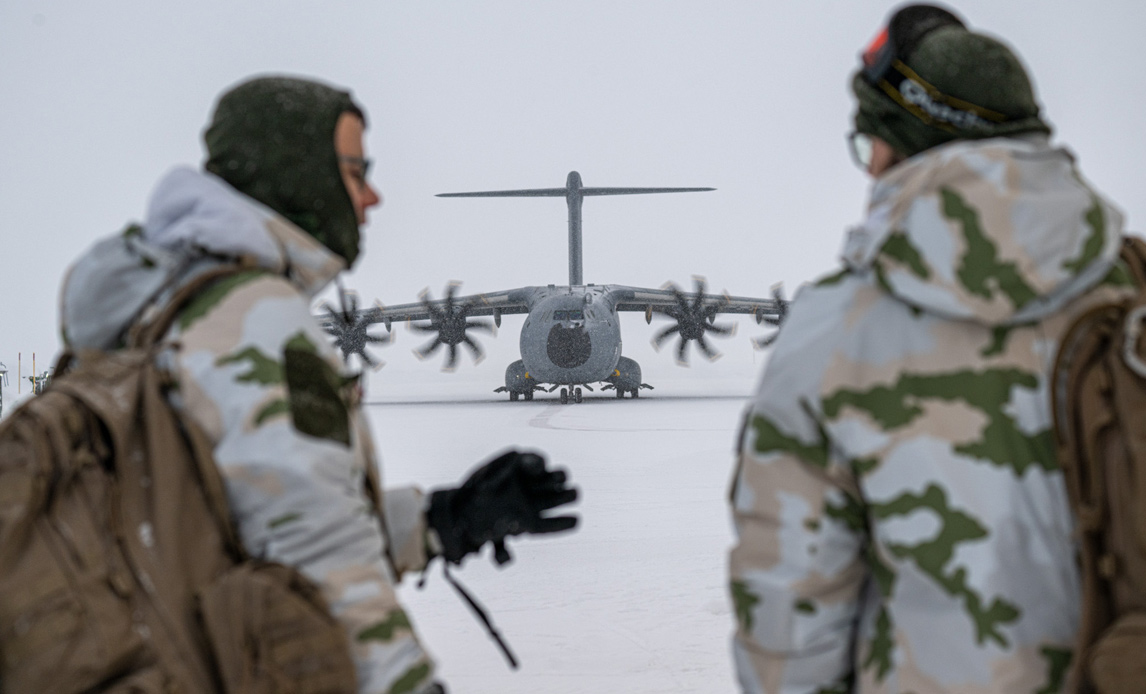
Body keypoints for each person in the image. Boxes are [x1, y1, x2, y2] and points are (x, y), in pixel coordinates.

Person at [58, 75, 577, 694]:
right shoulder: (254, 320)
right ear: (300, 176)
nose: (373, 196)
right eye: (356, 172)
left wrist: (441, 521)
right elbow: (319, 554)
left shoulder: (152, 310)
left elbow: (228, 525)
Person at [728, 5, 1132, 692]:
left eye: (868, 145)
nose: (868, 169)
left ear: (898, 147)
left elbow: (788, 632)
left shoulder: (834, 333)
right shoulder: (1132, 294)